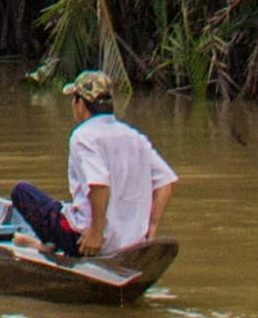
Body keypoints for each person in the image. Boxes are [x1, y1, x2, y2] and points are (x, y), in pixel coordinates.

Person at [9, 69, 176, 263]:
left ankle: (48, 246)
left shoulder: (83, 136)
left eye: (74, 99)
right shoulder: (134, 136)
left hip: (87, 241)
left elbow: (99, 185)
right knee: (69, 205)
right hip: (133, 242)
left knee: (22, 192)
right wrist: (152, 228)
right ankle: (48, 246)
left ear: (80, 103)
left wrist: (96, 233)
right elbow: (165, 182)